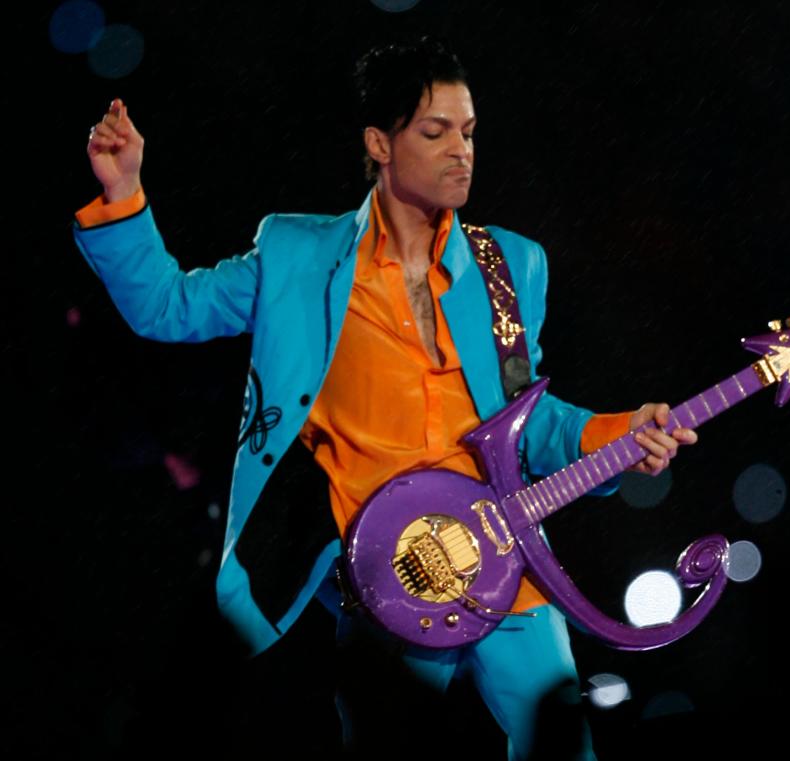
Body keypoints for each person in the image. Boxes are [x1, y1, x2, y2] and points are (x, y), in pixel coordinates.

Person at [74, 36, 698, 760]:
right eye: (434, 132)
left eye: (467, 132)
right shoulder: (297, 255)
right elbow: (167, 308)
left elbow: (529, 419)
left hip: (506, 559)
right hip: (388, 580)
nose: (460, 151)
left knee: (562, 746)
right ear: (380, 142)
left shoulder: (510, 265)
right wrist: (123, 194)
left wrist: (624, 434)